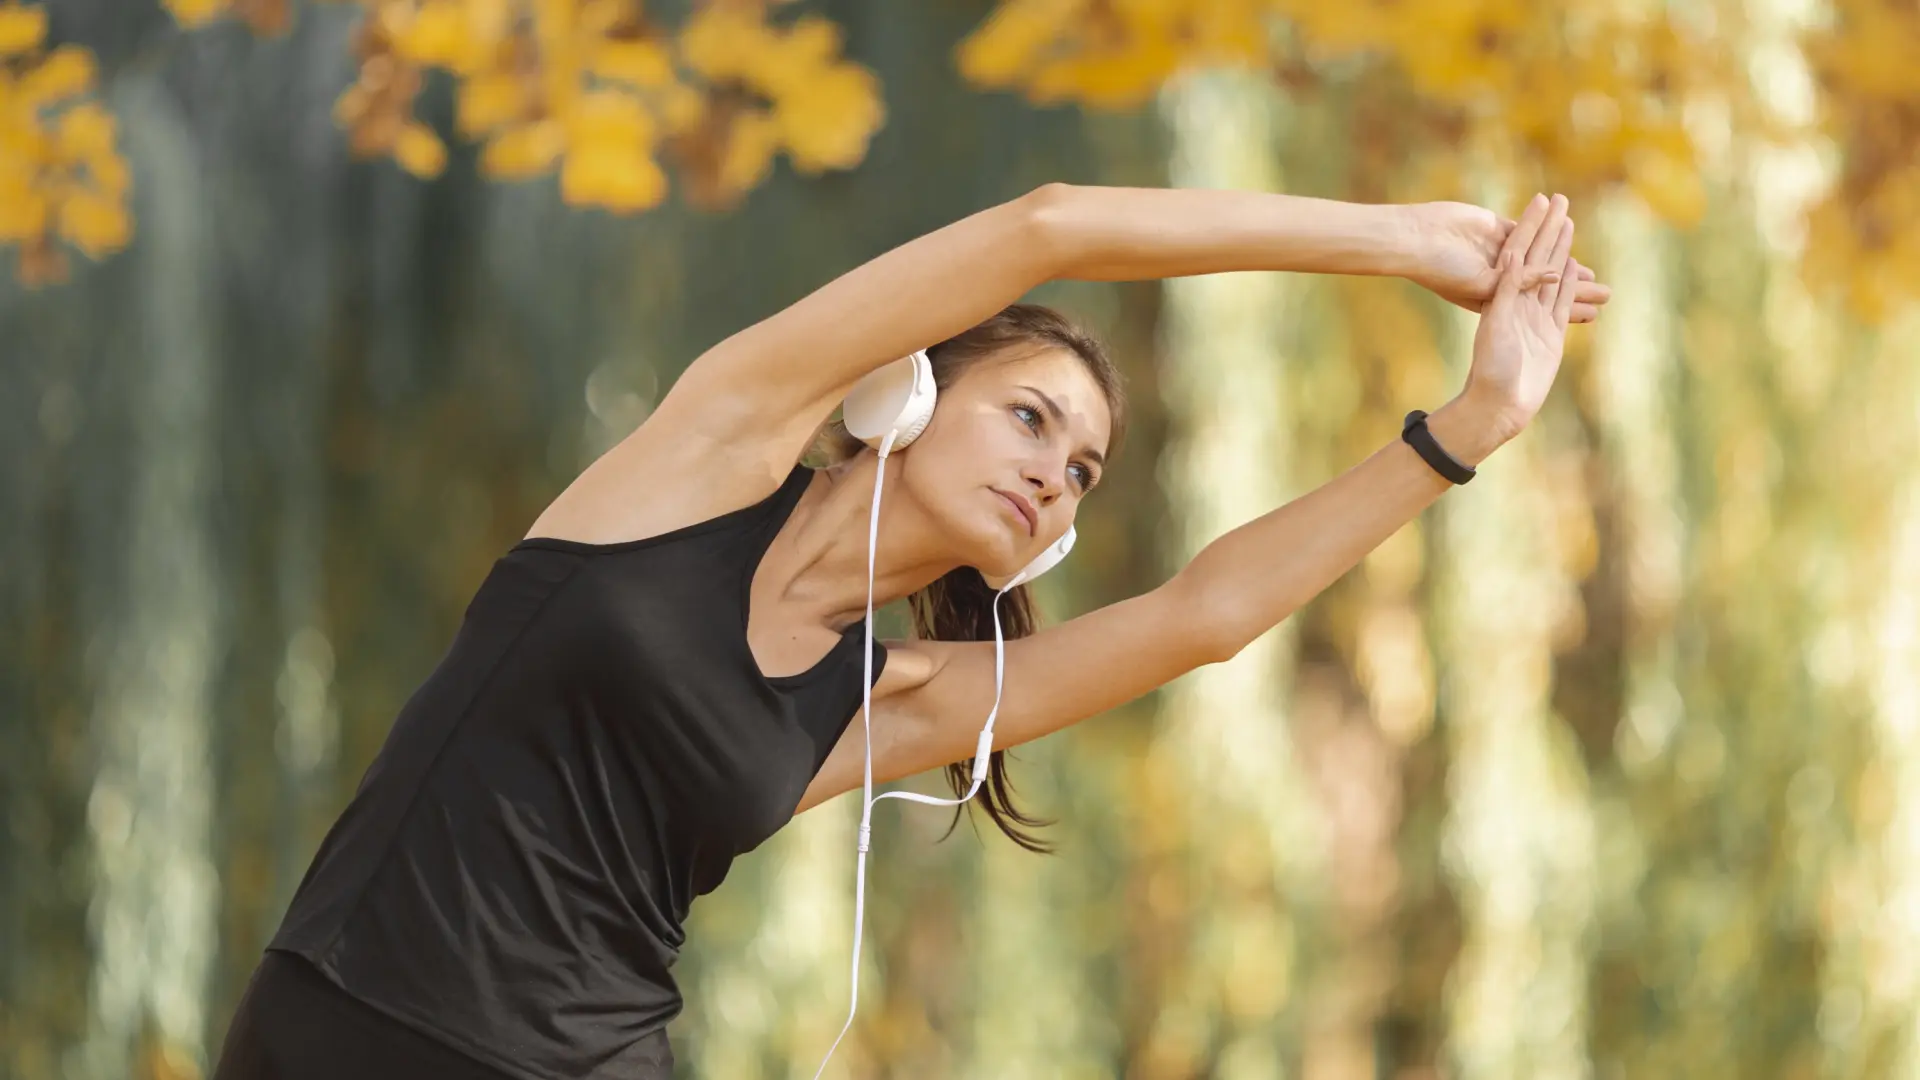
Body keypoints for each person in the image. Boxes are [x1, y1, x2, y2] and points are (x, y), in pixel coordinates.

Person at [211, 186, 1607, 1080]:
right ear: (908, 396)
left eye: (1081, 471)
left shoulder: (891, 699)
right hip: (337, 1014)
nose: (1054, 470)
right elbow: (1049, 228)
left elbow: (1206, 615)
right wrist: (1399, 243)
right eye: (1031, 417)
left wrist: (1467, 429)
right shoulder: (701, 460)